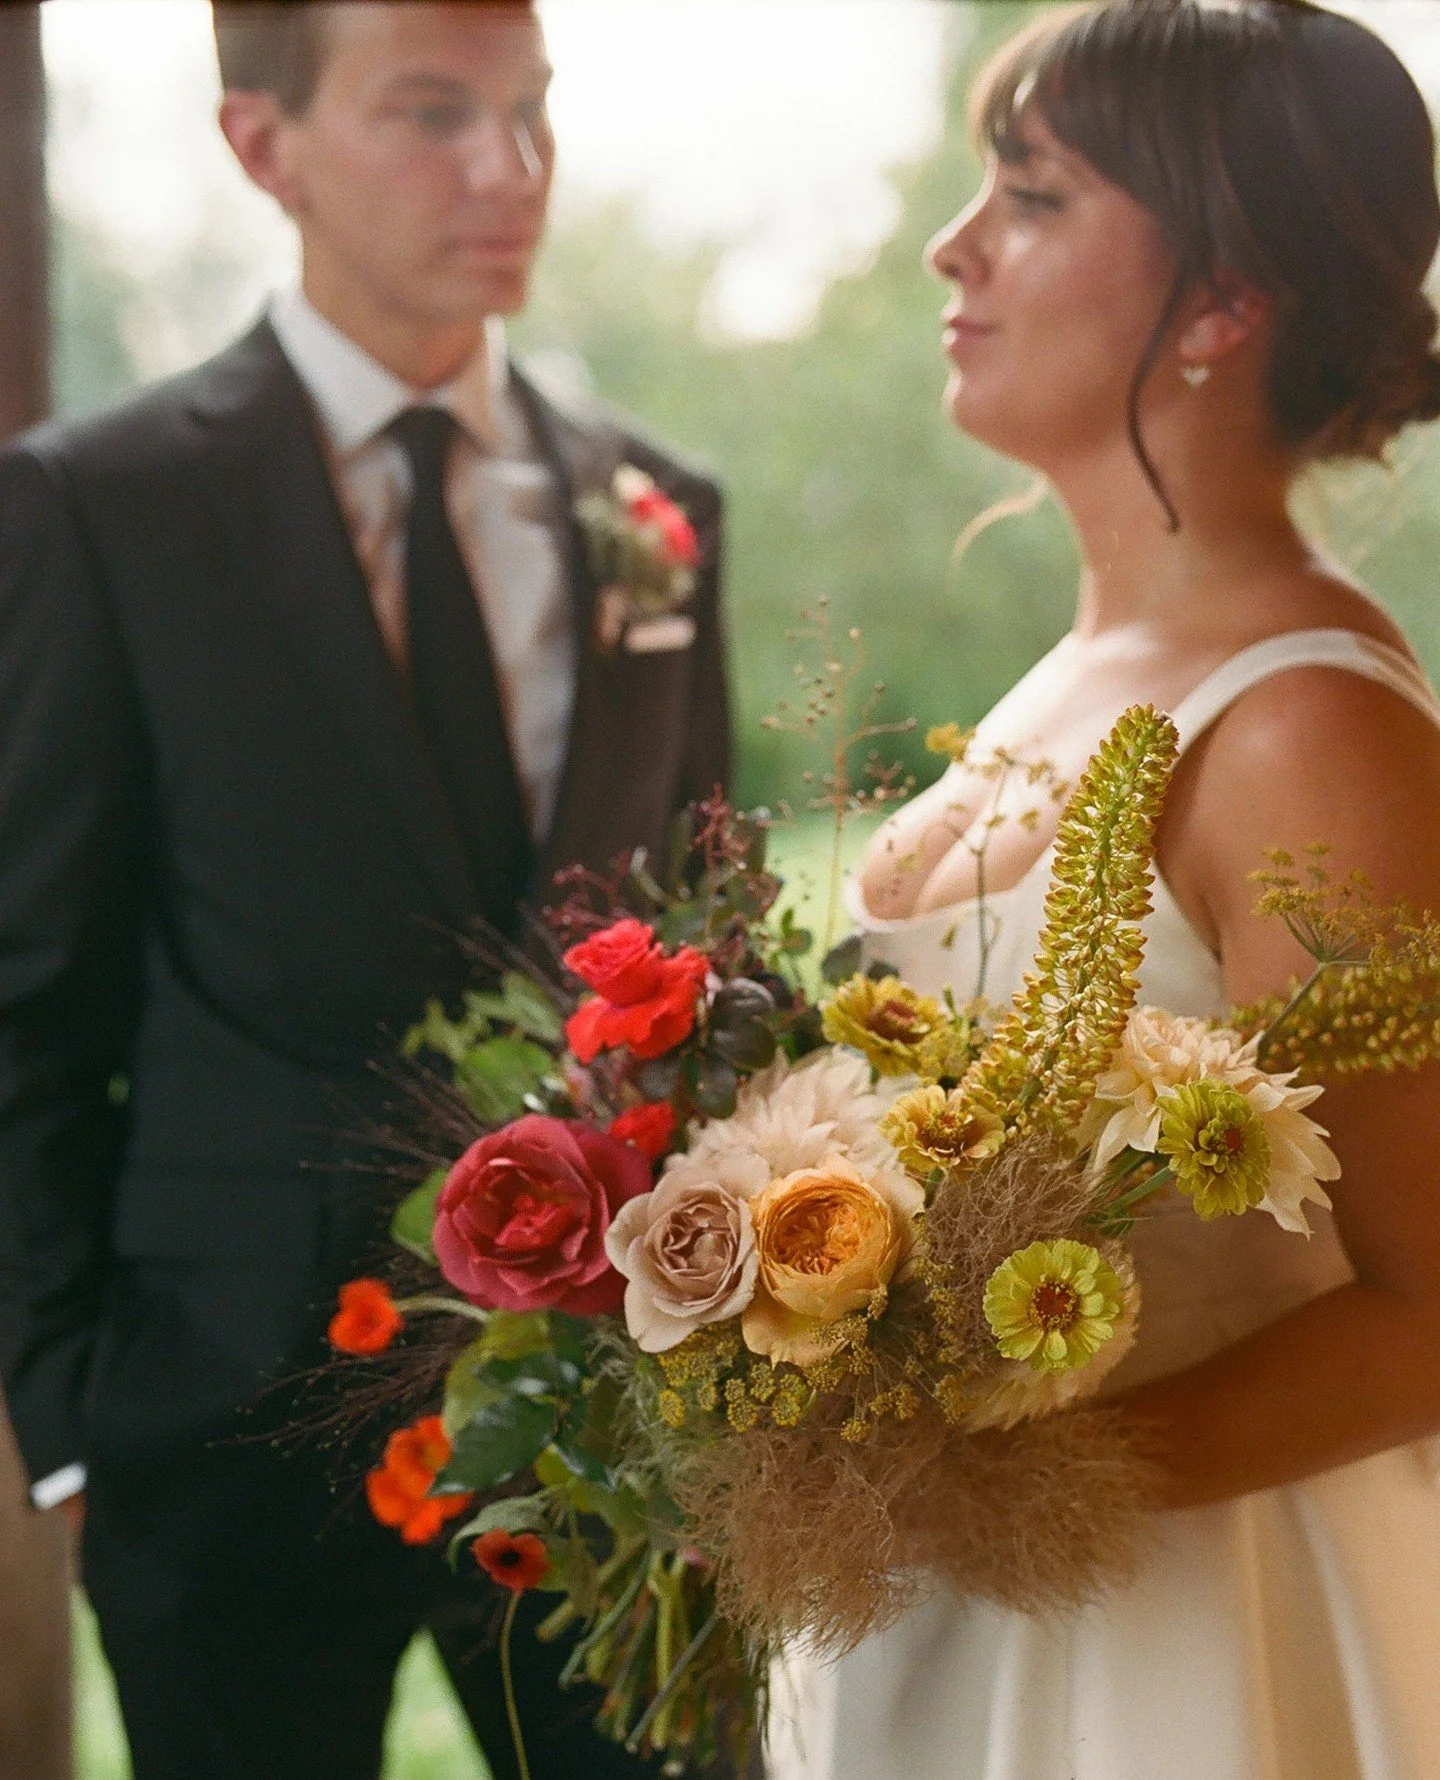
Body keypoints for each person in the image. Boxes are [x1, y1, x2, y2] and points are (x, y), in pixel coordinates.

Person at [0, 4, 728, 1777]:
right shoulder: (98, 509)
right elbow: (26, 992)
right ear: (265, 145)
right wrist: (74, 1414)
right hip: (222, 1413)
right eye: (433, 116)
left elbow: (698, 939)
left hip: (607, 1410)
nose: (510, 172)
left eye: (531, 114)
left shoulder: (658, 507)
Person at [768, 2, 1440, 1776]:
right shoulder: (1072, 666)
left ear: (1224, 300)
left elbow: (1432, 1306)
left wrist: (987, 1490)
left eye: (1036, 194)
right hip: (939, 1630)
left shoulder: (1303, 727)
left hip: (1180, 1655)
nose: (953, 243)